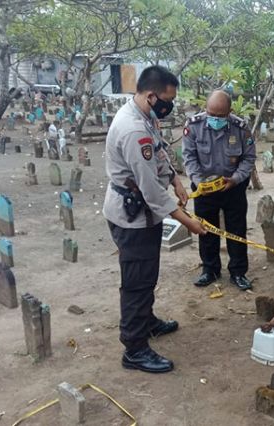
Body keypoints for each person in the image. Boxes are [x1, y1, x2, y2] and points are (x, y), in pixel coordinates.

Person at [103, 65, 207, 374]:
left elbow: (159, 152)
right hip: (132, 216)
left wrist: (175, 179)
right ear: (151, 95)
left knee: (147, 275)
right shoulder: (133, 129)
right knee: (137, 282)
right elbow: (150, 190)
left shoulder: (144, 115)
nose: (169, 105)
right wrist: (188, 222)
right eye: (167, 99)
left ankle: (146, 322)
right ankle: (134, 349)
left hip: (142, 214)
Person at [182, 90, 256, 290]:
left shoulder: (241, 128)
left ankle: (238, 273)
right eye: (211, 114)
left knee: (237, 231)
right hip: (204, 189)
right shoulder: (194, 126)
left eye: (220, 116)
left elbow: (249, 159)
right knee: (206, 230)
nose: (214, 119)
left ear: (229, 112)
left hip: (233, 187)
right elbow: (189, 157)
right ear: (206, 109)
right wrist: (199, 182)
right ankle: (210, 270)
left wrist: (236, 179)